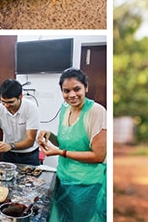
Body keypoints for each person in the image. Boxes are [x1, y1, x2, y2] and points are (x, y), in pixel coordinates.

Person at [37, 68, 107, 222]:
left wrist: (60, 153)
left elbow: (98, 156)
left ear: (86, 87)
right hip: (64, 178)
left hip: (86, 185)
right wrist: (50, 136)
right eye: (66, 91)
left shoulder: (96, 112)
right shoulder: (65, 109)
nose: (72, 95)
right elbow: (65, 142)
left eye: (77, 89)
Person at [0, 79, 41, 165]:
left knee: (29, 178)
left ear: (20, 97)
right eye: (3, 102)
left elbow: (30, 140)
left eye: (10, 102)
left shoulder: (31, 108)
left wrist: (10, 146)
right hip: (8, 155)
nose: (6, 106)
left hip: (28, 155)